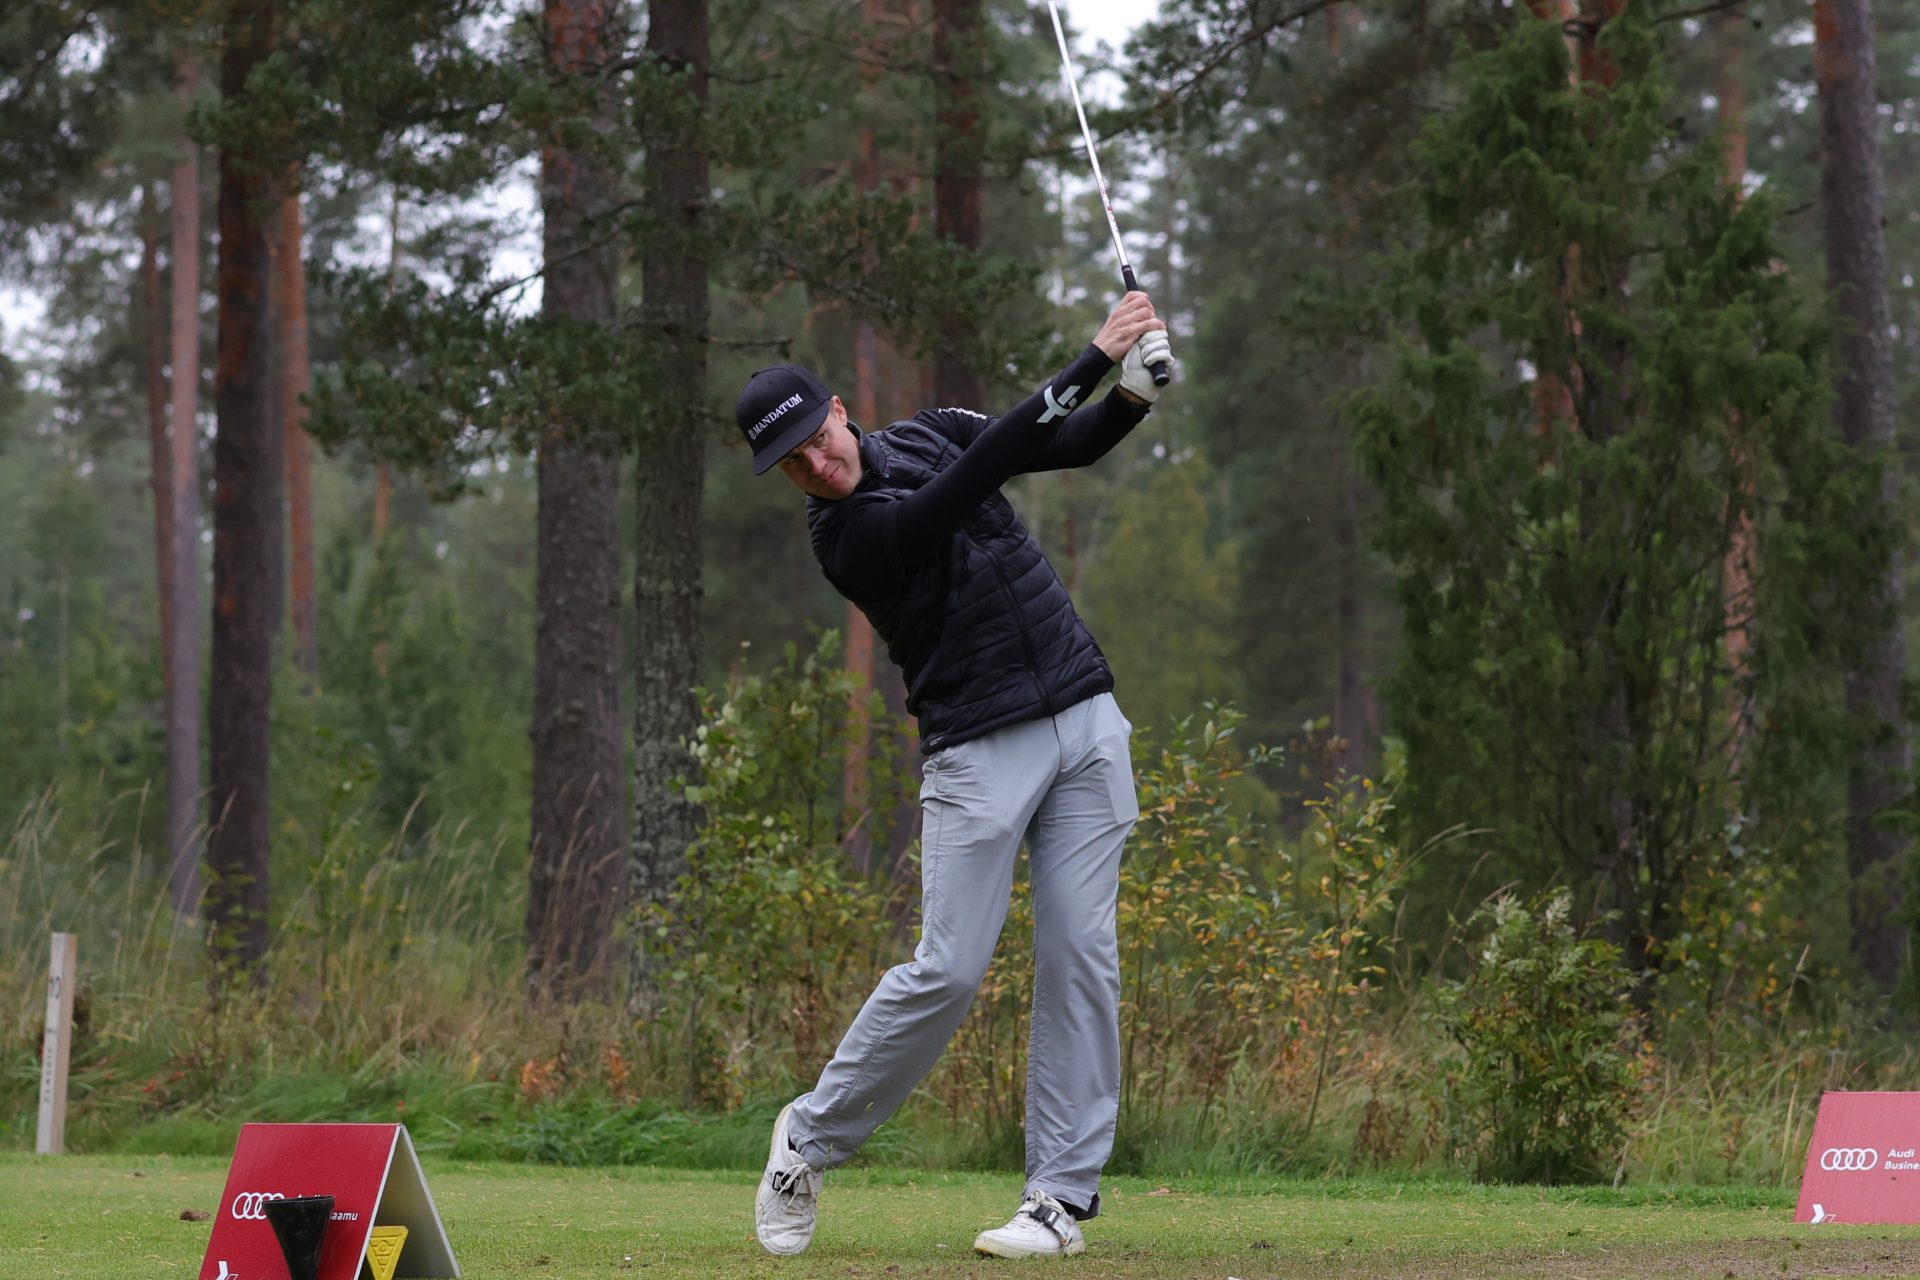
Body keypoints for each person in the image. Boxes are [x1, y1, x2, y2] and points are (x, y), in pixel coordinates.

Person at [734, 293, 1174, 1259]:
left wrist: (1133, 395)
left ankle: (1058, 1200)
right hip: (978, 748)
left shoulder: (933, 429)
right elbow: (981, 474)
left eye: (816, 440)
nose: (816, 465)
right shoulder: (845, 540)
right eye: (793, 465)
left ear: (839, 411)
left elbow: (1065, 444)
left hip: (1084, 716)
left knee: (1082, 956)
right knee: (948, 969)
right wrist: (1092, 355)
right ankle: (807, 1140)